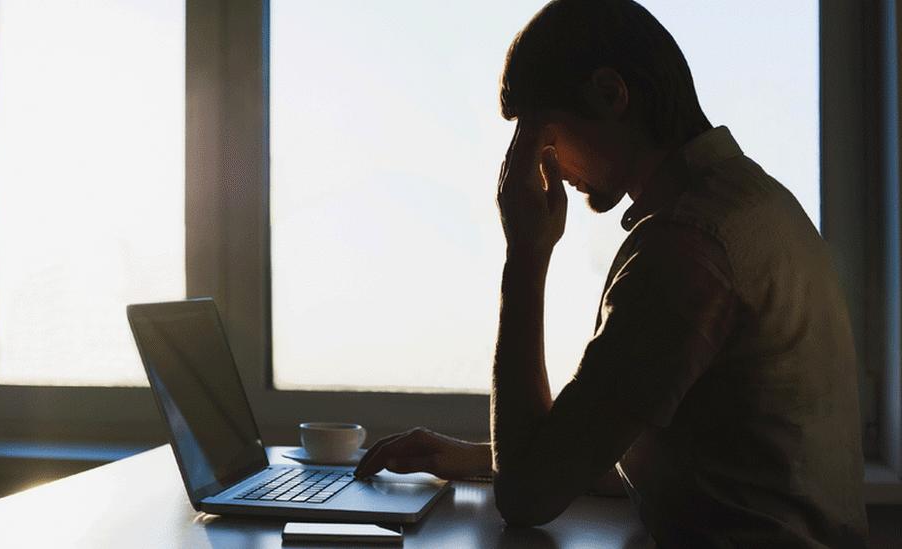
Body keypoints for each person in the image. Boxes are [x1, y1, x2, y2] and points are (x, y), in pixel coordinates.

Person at [352, 0, 870, 546]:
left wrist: (526, 254)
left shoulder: (686, 249)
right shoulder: (759, 205)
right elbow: (651, 452)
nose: (531, 157)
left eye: (537, 129)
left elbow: (527, 496)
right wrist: (477, 459)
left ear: (609, 94)